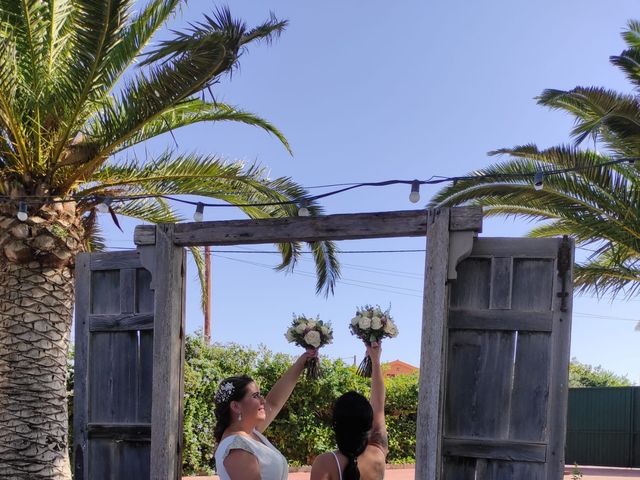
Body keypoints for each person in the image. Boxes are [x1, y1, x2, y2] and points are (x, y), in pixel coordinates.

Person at [213, 349, 318, 480]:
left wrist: (300, 364)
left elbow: (274, 402)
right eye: (255, 396)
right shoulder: (237, 449)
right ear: (235, 406)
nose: (263, 400)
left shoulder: (250, 434)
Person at [310, 342, 388, 480]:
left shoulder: (325, 463)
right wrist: (375, 361)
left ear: (336, 425)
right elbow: (378, 406)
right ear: (369, 425)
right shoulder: (378, 455)